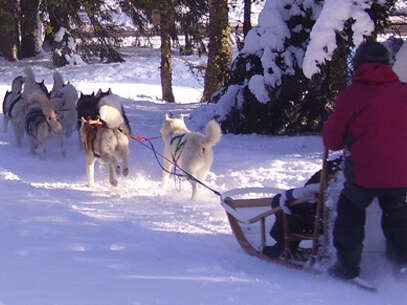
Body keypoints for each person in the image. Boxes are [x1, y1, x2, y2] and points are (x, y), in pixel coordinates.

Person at [322, 41, 407, 280]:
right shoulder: (404, 91)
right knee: (399, 217)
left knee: (350, 213)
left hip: (364, 174)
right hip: (402, 173)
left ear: (357, 64)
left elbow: (333, 141)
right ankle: (400, 267)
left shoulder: (352, 95)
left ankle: (347, 267)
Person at [262, 158, 342, 259]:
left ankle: (284, 245)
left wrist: (287, 195)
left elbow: (310, 189)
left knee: (279, 200)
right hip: (340, 220)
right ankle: (288, 244)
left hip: (322, 223)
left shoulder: (336, 174)